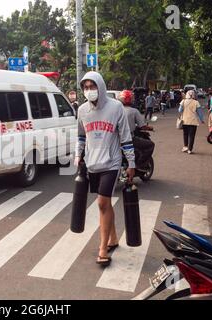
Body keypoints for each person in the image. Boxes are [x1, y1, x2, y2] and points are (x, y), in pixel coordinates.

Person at [74, 71, 135, 267]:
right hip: (92, 163)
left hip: (112, 162)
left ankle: (102, 248)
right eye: (86, 87)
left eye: (92, 87)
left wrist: (131, 163)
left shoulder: (116, 107)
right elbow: (81, 136)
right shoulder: (82, 110)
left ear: (100, 87)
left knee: (102, 203)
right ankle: (114, 238)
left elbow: (125, 137)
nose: (89, 91)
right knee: (105, 204)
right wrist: (78, 155)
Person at [120, 90, 155, 168]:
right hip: (129, 138)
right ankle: (139, 165)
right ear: (130, 99)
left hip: (116, 140)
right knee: (151, 145)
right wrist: (150, 128)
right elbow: (142, 126)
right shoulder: (134, 111)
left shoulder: (116, 111)